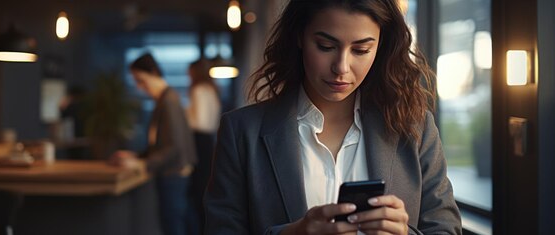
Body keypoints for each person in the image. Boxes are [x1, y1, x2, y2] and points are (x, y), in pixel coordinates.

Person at [204, 0, 462, 234]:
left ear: (380, 46)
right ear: (299, 37)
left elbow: (446, 228)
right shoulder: (241, 132)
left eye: (361, 50)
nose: (341, 67)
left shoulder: (415, 127)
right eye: (326, 46)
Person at [109, 53, 197, 235]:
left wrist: (143, 163)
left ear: (153, 73)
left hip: (173, 173)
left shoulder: (169, 101)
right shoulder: (163, 100)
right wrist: (136, 156)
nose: (139, 86)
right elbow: (160, 142)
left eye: (140, 80)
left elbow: (175, 146)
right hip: (172, 172)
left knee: (173, 225)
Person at [185, 58, 221, 235]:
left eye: (189, 72)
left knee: (197, 191)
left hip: (199, 141)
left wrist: (184, 117)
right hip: (209, 142)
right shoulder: (212, 89)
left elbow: (199, 121)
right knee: (204, 188)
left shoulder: (198, 90)